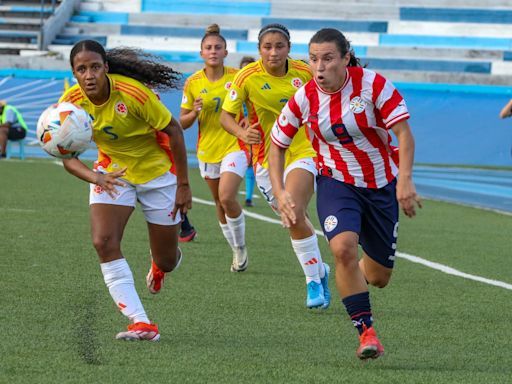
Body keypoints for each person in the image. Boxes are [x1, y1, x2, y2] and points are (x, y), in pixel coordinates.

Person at [268, 28, 421, 359]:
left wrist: (405, 180)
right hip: (336, 182)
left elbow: (404, 135)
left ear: (345, 58)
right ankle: (366, 331)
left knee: (379, 277)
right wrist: (280, 192)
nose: (319, 67)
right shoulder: (304, 97)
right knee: (343, 249)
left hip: (381, 185)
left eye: (327, 58)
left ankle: (345, 275)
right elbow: (277, 146)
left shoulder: (373, 85)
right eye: (313, 59)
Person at [59, 40, 192, 341]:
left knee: (168, 259)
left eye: (95, 67)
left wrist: (183, 185)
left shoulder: (132, 93)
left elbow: (174, 130)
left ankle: (160, 267)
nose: (89, 75)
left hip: (158, 173)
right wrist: (95, 177)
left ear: (106, 67)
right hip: (113, 173)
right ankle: (141, 322)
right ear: (74, 73)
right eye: (82, 69)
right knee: (103, 241)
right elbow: (67, 155)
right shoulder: (69, 104)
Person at [220, 23, 331, 309]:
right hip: (268, 158)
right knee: (295, 219)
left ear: (289, 49)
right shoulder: (246, 77)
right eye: (267, 47)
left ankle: (312, 282)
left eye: (279, 46)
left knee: (292, 211)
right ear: (259, 50)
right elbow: (226, 117)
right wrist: (242, 133)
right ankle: (321, 269)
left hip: (303, 150)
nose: (273, 52)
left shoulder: (305, 72)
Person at [180, 24, 249, 272]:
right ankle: (235, 250)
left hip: (235, 145)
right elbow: (183, 122)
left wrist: (247, 119)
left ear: (226, 51)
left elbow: (252, 106)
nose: (213, 51)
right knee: (218, 203)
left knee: (227, 195)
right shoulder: (192, 83)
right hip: (207, 150)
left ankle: (240, 246)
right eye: (208, 48)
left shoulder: (237, 77)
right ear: (201, 53)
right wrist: (194, 111)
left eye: (218, 47)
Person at [239, 56, 257, 207]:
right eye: (243, 70)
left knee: (252, 161)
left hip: (254, 129)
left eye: (249, 69)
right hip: (236, 130)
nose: (246, 73)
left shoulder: (259, 87)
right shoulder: (235, 87)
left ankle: (249, 197)